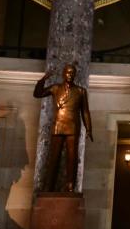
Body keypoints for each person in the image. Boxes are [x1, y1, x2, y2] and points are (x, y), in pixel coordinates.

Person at [34, 63, 93, 193]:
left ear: (75, 75)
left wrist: (89, 129)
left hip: (73, 126)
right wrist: (43, 79)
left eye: (72, 73)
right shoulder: (56, 88)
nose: (70, 75)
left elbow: (85, 112)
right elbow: (37, 94)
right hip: (58, 125)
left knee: (72, 158)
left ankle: (70, 186)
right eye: (68, 72)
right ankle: (49, 186)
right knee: (53, 157)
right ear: (63, 74)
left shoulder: (80, 91)